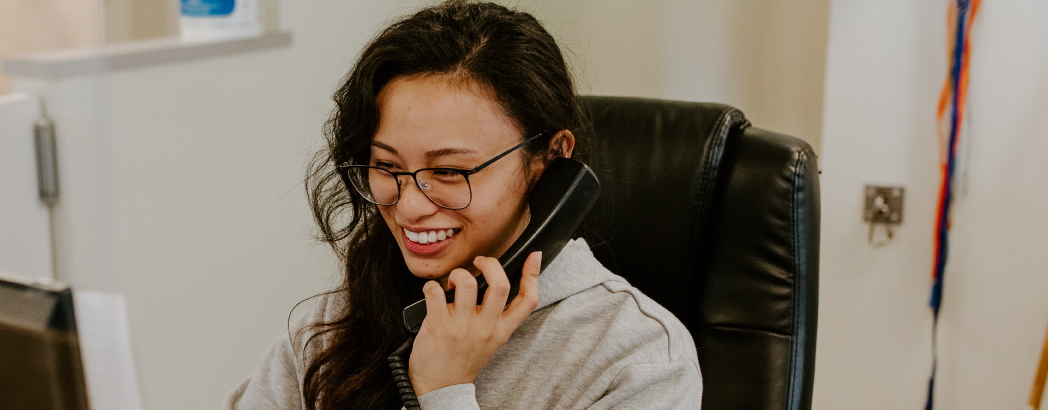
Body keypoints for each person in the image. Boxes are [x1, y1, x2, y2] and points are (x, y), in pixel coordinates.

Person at [224, 1, 701, 409]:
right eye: (387, 167)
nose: (409, 208)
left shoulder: (637, 357)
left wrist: (441, 389)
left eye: (450, 172)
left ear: (551, 158)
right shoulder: (335, 322)